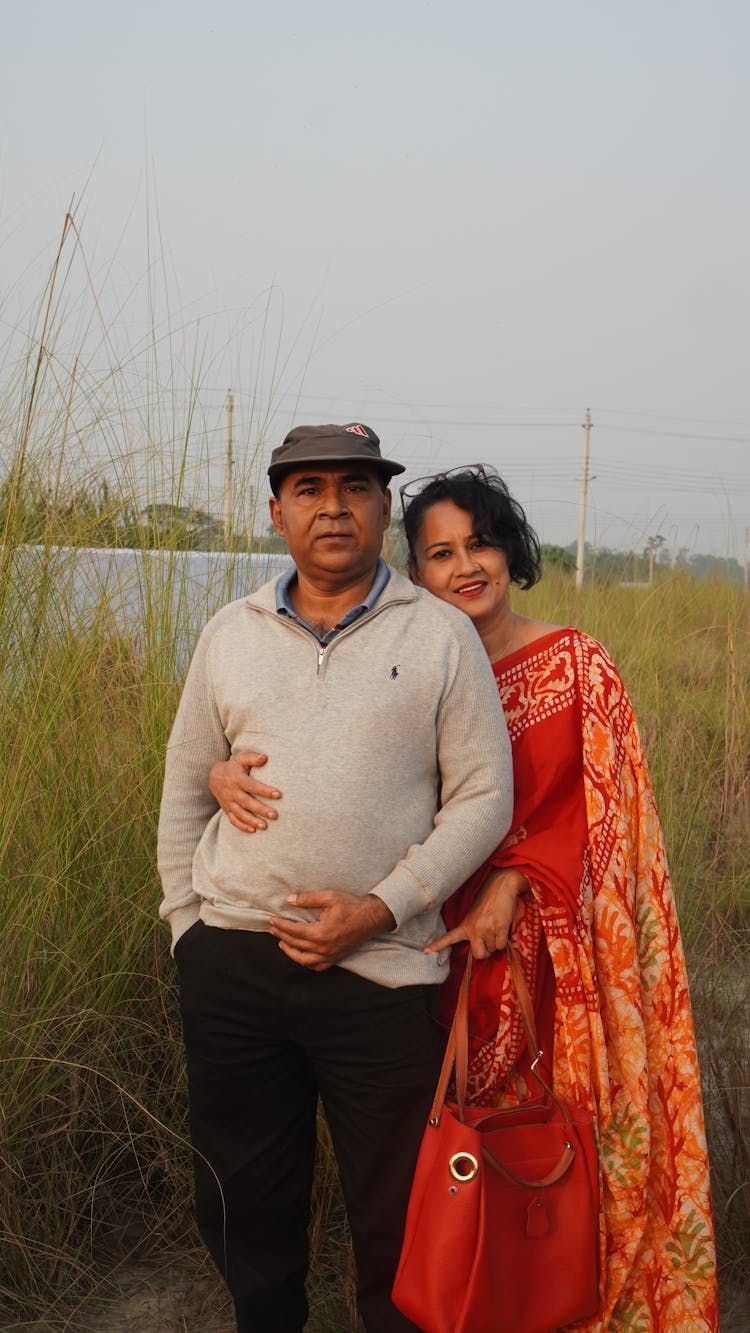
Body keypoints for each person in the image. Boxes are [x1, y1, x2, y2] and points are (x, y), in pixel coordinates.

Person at [213, 464, 719, 1332]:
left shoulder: (575, 663)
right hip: (427, 951)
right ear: (416, 570)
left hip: (556, 967)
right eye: (439, 553)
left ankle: (586, 1305)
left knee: (555, 1148)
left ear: (510, 548)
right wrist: (224, 772)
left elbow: (611, 809)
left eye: (479, 542)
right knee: (452, 1161)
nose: (465, 566)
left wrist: (516, 881)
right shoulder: (412, 659)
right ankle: (476, 1305)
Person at [157, 428, 513, 1333]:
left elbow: (483, 797)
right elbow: (184, 785)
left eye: (354, 487)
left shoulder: (439, 636)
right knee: (244, 1202)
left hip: (382, 973)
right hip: (233, 965)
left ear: (382, 508)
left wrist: (380, 907)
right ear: (276, 513)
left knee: (398, 1216)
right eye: (307, 488)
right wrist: (187, 931)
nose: (332, 505)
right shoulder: (229, 634)